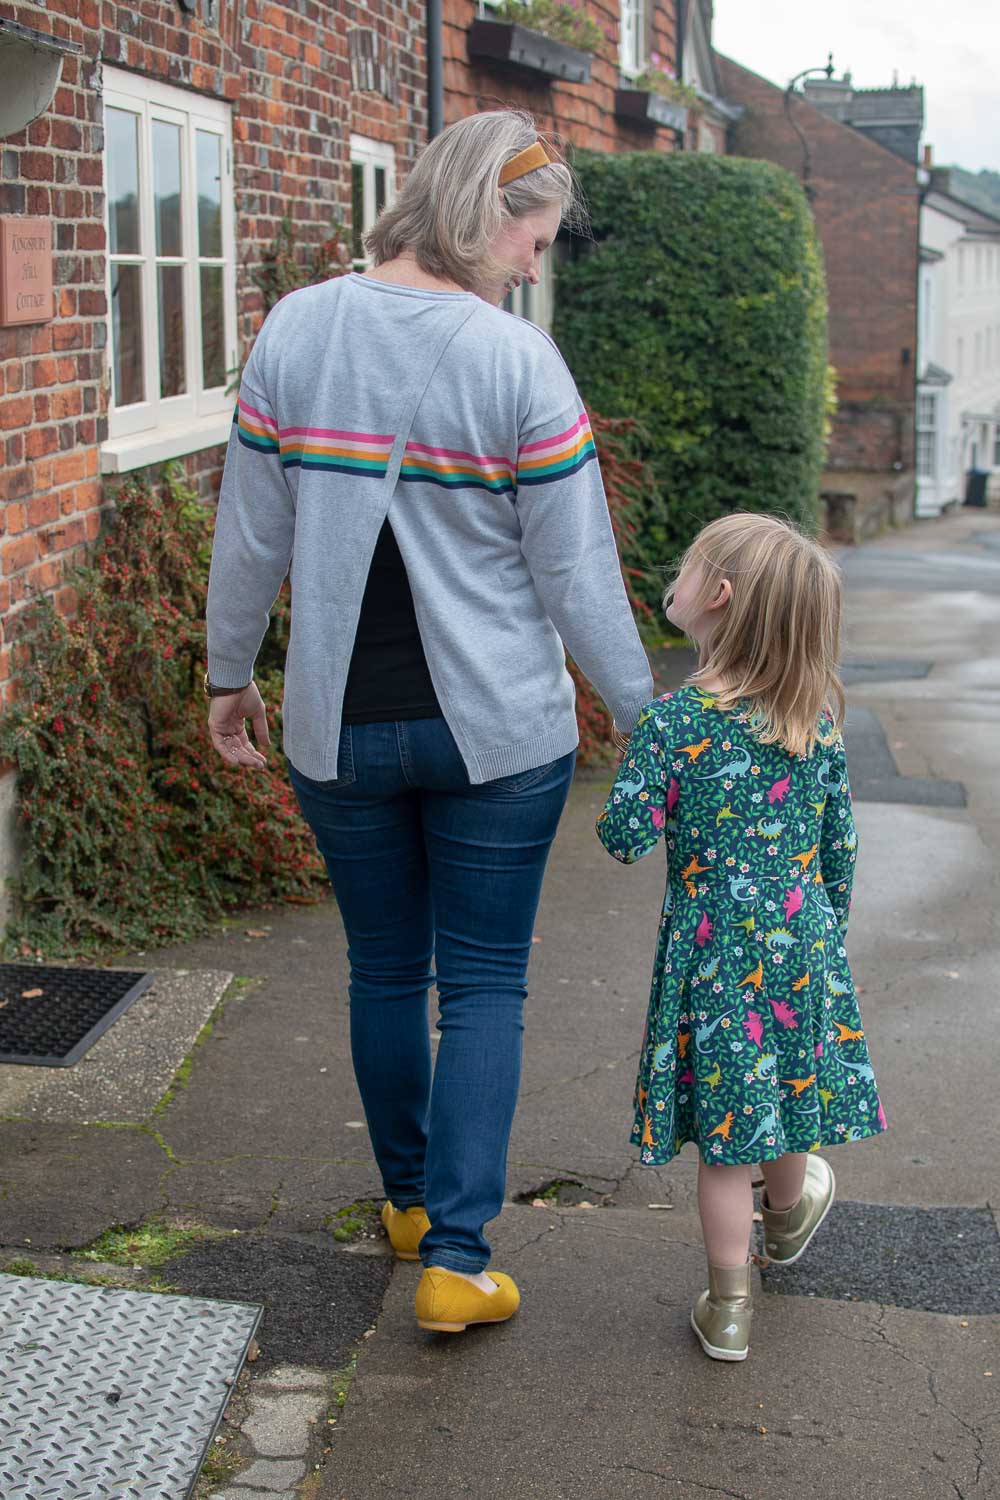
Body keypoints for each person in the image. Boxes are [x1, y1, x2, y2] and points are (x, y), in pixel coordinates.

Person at [204, 109, 653, 1334]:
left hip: (337, 729)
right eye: (533, 237)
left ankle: (405, 1206)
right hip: (497, 735)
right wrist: (649, 714)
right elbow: (576, 576)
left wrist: (227, 673)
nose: (533, 264)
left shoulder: (299, 329)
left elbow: (250, 533)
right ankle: (458, 1256)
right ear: (483, 212)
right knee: (488, 990)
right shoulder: (516, 364)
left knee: (384, 970)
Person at [596, 511, 885, 1361]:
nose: (672, 578)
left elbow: (623, 838)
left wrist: (639, 766)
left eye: (686, 568)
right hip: (801, 944)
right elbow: (841, 849)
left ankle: (729, 1309)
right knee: (787, 1103)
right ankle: (788, 1218)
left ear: (715, 597)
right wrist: (822, 930)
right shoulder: (813, 724)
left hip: (712, 952)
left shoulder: (674, 724)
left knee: (726, 1142)